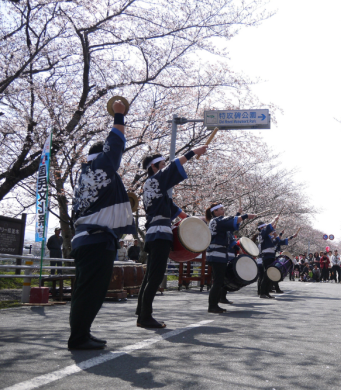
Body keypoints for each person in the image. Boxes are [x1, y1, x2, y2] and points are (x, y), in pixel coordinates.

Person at [68, 100, 136, 350]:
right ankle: (78, 338)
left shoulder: (84, 174)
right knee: (90, 291)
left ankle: (82, 333)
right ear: (102, 155)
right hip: (96, 240)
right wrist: (119, 116)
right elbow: (116, 145)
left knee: (87, 290)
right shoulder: (100, 167)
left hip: (87, 239)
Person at [136, 144, 207, 327]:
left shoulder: (160, 194)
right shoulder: (153, 181)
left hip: (156, 234)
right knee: (156, 276)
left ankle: (141, 311)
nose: (164, 167)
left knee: (151, 275)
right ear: (153, 167)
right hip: (159, 234)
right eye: (161, 164)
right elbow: (172, 168)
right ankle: (145, 317)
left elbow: (182, 215)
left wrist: (199, 221)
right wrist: (193, 152)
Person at [205, 203, 256, 312]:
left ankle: (215, 304)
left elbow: (229, 231)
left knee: (219, 281)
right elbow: (230, 221)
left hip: (219, 254)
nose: (223, 211)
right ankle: (212, 306)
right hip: (216, 254)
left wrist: (238, 249)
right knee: (218, 281)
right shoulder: (216, 220)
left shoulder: (219, 221)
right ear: (215, 211)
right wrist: (245, 216)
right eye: (221, 209)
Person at [258, 217, 281, 298]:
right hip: (267, 256)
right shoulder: (262, 233)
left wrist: (279, 235)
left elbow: (275, 241)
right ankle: (262, 292)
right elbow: (268, 227)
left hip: (270, 255)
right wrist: (274, 219)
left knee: (269, 274)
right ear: (261, 228)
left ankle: (266, 292)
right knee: (266, 274)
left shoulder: (266, 236)